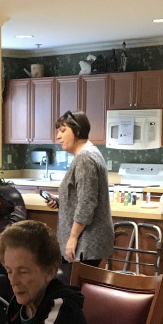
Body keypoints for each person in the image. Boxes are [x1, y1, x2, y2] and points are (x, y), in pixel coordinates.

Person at [43, 111, 112, 279]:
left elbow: (87, 203)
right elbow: (83, 195)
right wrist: (62, 201)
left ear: (78, 131)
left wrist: (73, 238)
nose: (58, 136)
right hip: (88, 241)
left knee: (73, 292)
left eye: (63, 130)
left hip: (85, 242)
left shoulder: (84, 159)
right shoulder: (91, 154)